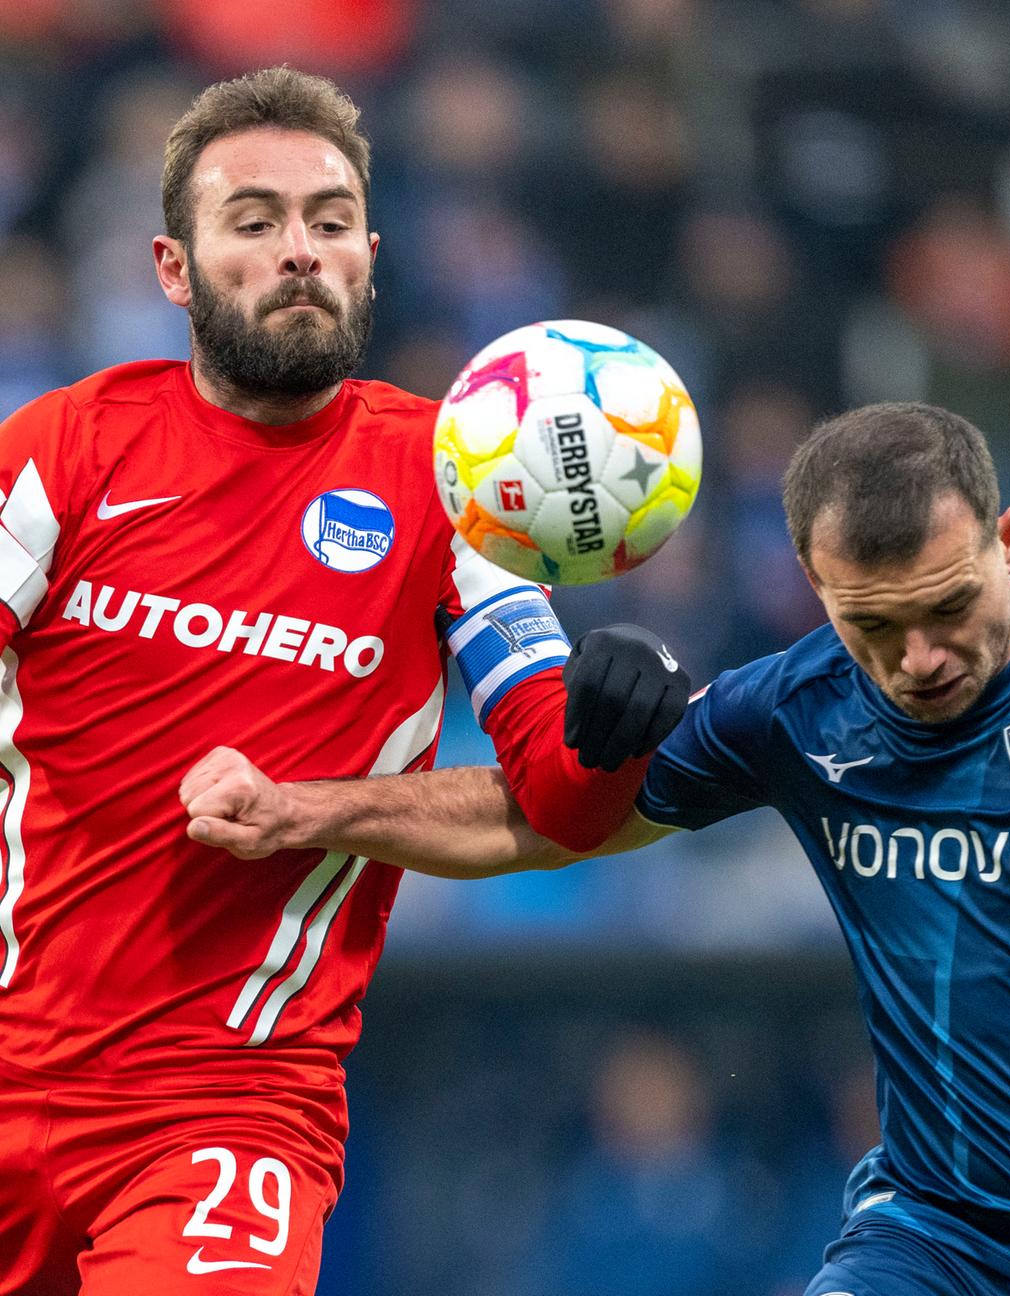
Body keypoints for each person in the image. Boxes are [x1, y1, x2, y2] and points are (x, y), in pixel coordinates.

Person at [191, 400, 1010, 1296]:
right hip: (945, 1235)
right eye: (872, 625)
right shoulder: (793, 707)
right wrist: (304, 810)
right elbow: (542, 823)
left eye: (947, 607)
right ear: (814, 588)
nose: (918, 659)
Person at [0, 66, 692, 1295]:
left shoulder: (454, 487)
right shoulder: (63, 451)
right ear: (174, 266)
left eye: (327, 221)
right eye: (254, 222)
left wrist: (619, 718)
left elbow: (561, 803)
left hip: (229, 1107)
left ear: (369, 254)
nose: (299, 252)